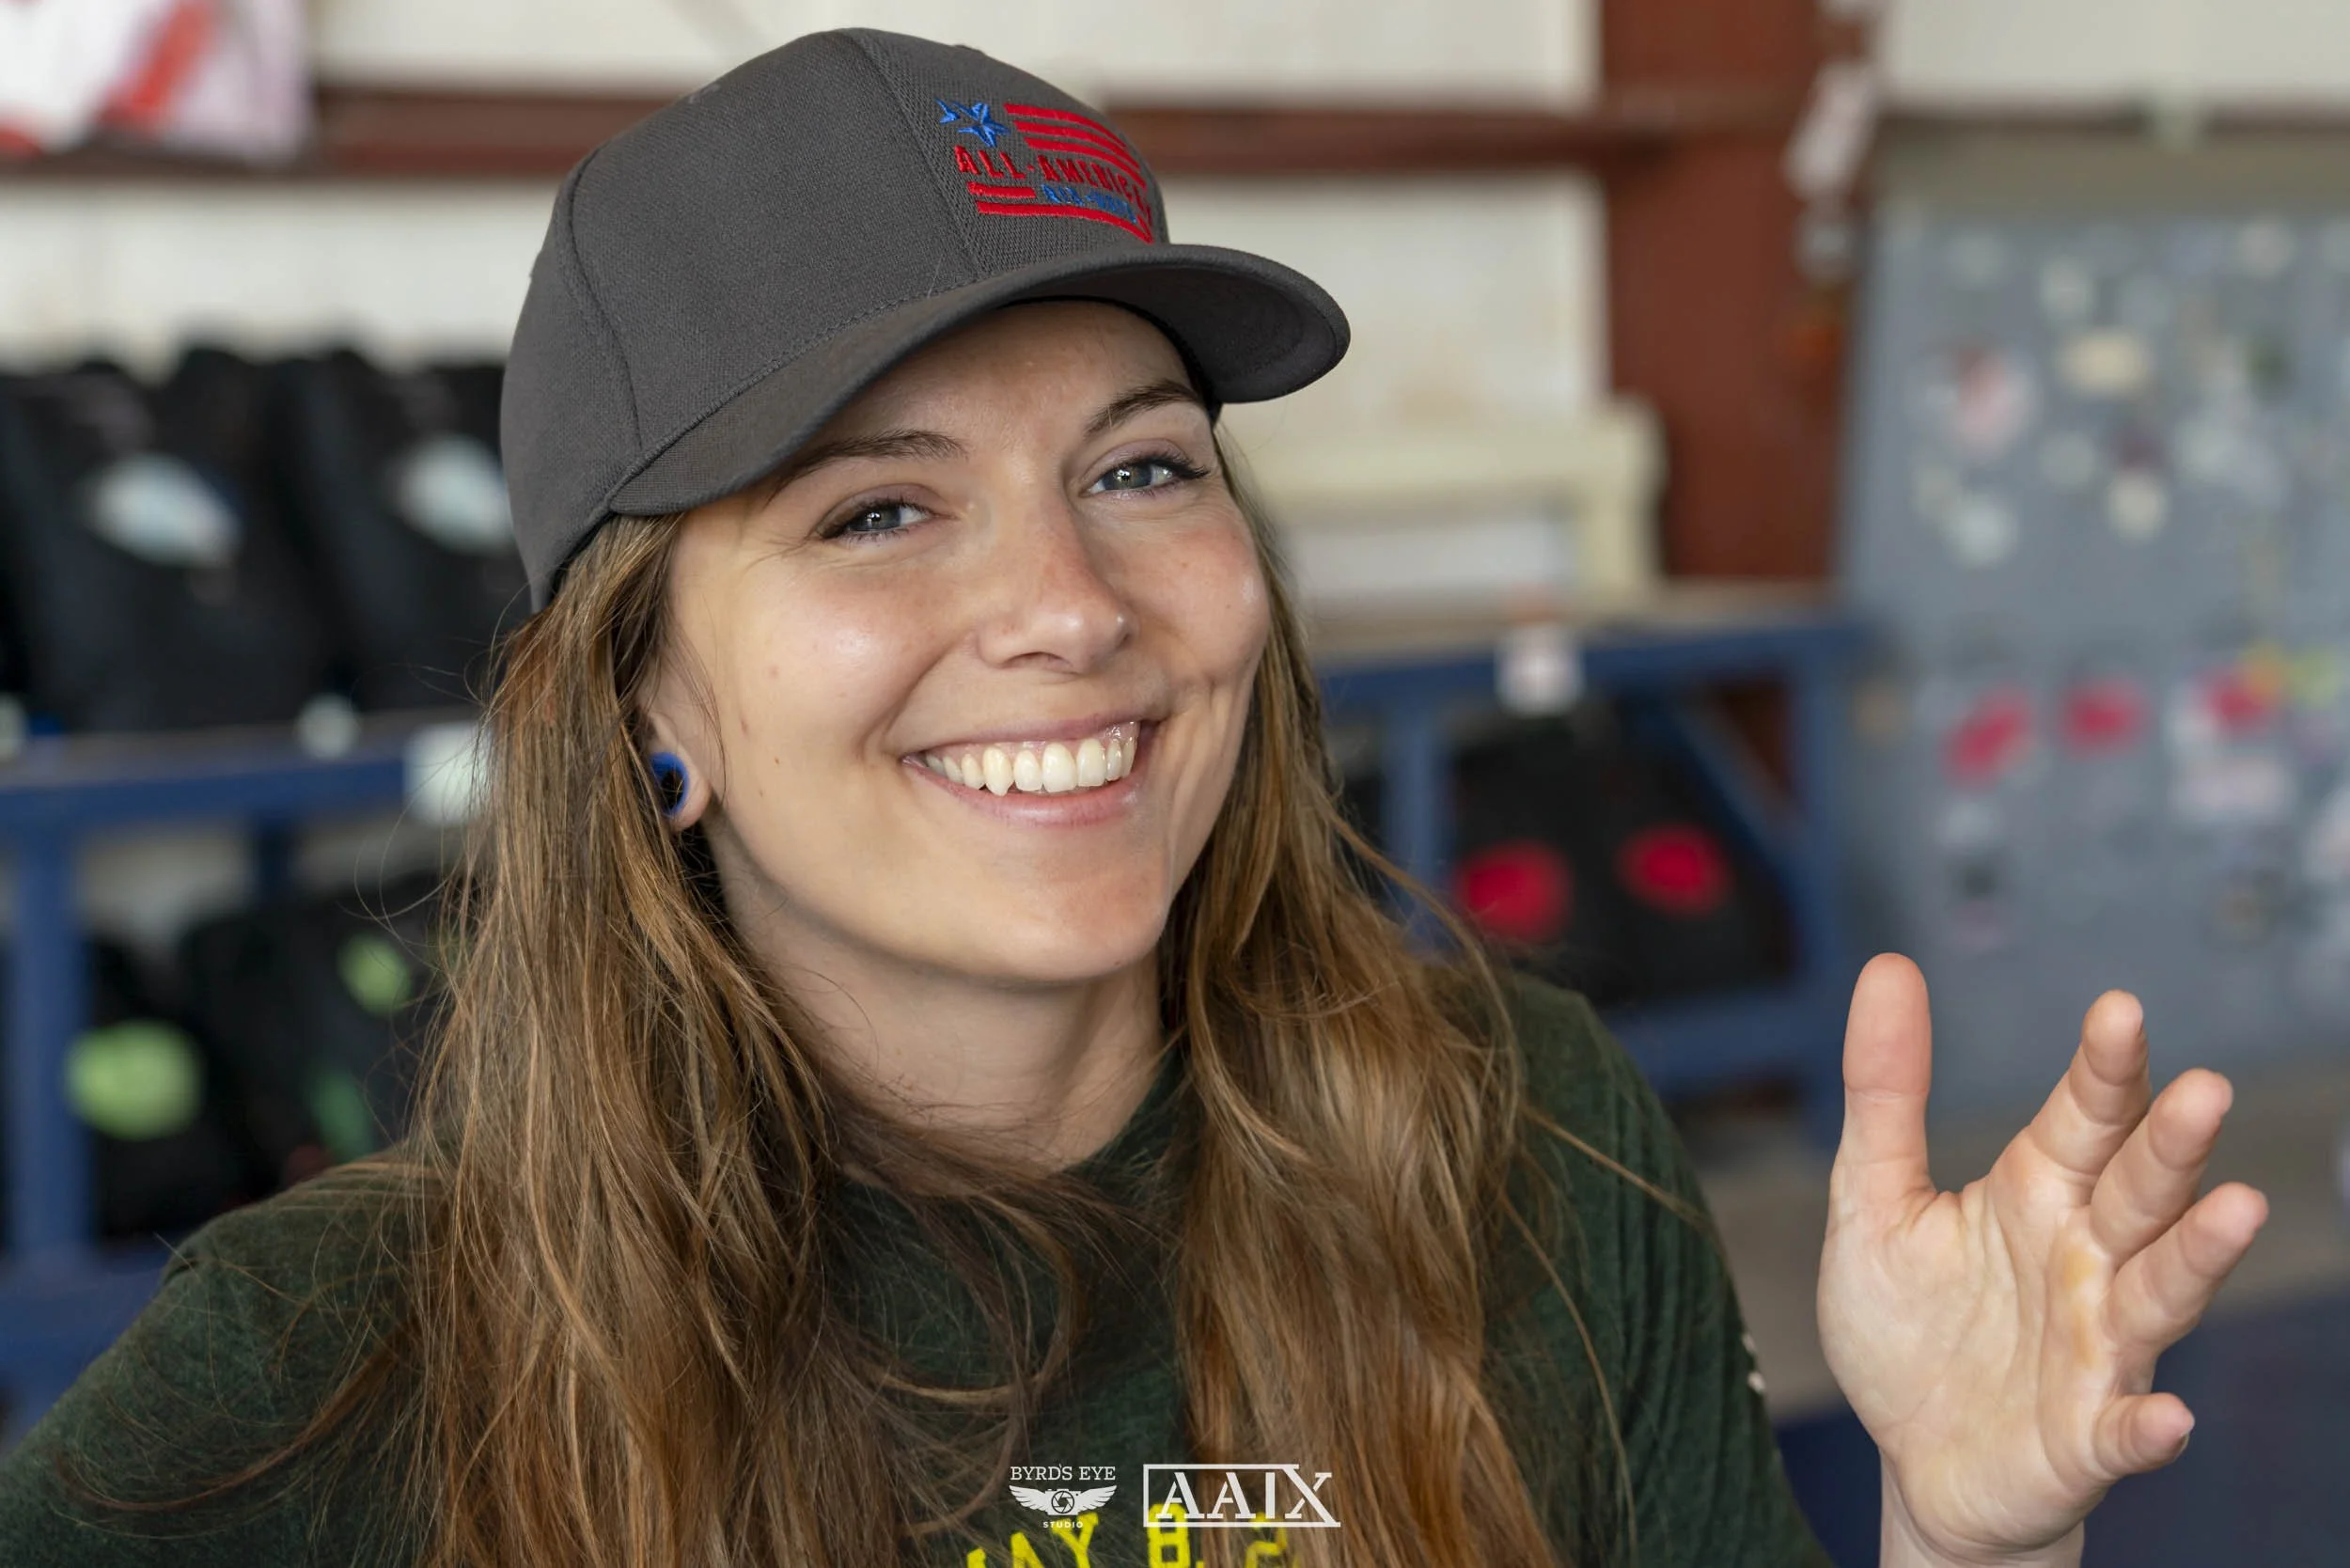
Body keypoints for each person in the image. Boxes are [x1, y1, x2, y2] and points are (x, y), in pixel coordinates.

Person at [0, 28, 2267, 1568]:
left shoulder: (1520, 1136)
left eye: (1139, 467)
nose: (1070, 606)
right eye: (877, 512)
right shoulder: (331, 1370)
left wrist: (1967, 1536)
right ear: (635, 708)